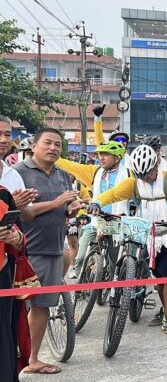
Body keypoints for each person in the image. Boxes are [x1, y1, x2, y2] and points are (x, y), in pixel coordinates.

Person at [89, 145, 167, 334]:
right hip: (149, 236)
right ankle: (165, 308)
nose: (144, 178)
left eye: (147, 174)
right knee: (158, 276)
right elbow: (114, 193)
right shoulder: (134, 182)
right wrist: (97, 202)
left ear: (155, 166)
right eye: (139, 174)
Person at [14, 128, 83, 375]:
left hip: (54, 248)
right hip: (25, 251)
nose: (53, 148)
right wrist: (56, 203)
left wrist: (70, 207)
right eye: (48, 143)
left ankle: (32, 358)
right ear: (33, 146)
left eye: (58, 144)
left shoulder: (63, 175)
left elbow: (64, 206)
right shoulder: (18, 173)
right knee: (17, 307)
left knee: (42, 306)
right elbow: (25, 212)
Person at [54, 141, 128, 277]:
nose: (101, 157)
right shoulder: (95, 172)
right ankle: (82, 288)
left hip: (116, 222)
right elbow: (70, 165)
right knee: (80, 257)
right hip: (95, 220)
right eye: (100, 154)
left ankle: (112, 292)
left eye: (106, 154)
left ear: (117, 157)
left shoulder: (128, 175)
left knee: (114, 262)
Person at [0, 186, 26, 381]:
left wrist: (15, 237)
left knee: (4, 341)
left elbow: (19, 239)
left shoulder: (2, 195)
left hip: (2, 276)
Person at [0, 115, 36, 219]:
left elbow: (28, 216)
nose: (3, 140)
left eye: (7, 135)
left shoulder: (13, 174)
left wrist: (21, 205)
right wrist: (10, 204)